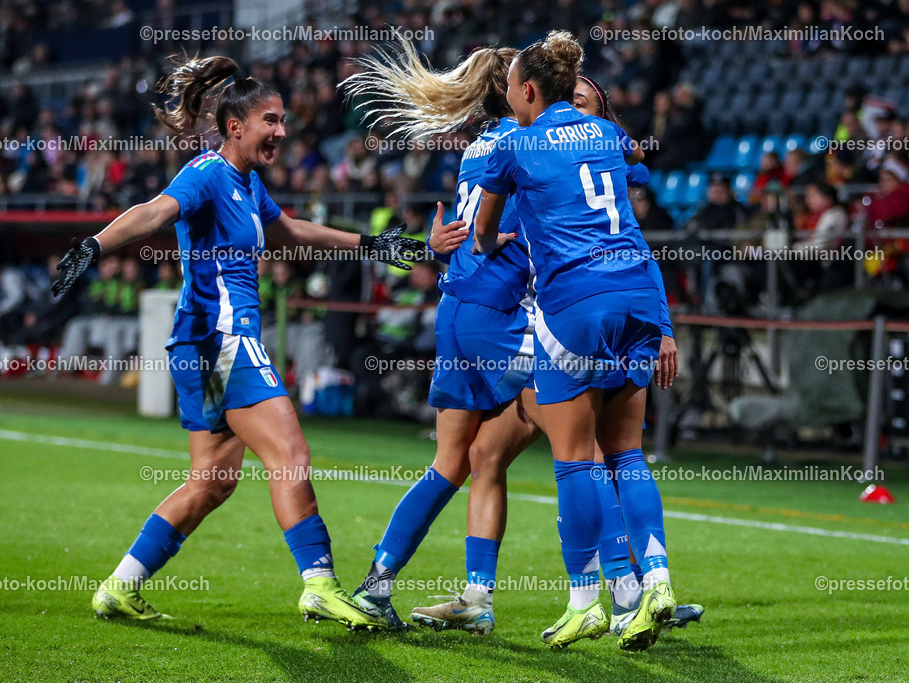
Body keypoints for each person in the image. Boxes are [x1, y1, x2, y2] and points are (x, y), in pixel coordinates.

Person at [50, 54, 431, 629]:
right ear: (236, 127)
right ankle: (320, 584)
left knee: (211, 483)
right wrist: (94, 246)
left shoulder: (248, 184)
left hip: (199, 346)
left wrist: (370, 244)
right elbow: (153, 212)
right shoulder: (207, 173)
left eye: (281, 121)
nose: (281, 131)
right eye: (271, 121)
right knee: (291, 455)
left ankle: (120, 586)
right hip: (222, 341)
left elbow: (290, 230)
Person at [342, 40, 692, 646]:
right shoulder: (532, 145)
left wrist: (438, 246)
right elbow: (563, 209)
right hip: (509, 316)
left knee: (468, 459)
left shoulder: (484, 149)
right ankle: (626, 591)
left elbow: (464, 235)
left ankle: (397, 584)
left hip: (457, 310)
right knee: (584, 449)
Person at [473, 30, 676, 652]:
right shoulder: (609, 134)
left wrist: (494, 241)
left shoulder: (514, 145)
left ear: (528, 90)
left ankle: (586, 600)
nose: (509, 99)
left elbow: (482, 235)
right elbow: (637, 165)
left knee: (575, 458)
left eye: (511, 89)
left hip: (575, 305)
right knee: (629, 455)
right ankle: (656, 581)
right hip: (639, 295)